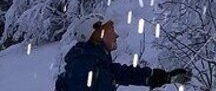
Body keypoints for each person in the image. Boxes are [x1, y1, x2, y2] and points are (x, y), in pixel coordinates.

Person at [56, 13, 191, 91]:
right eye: (111, 31)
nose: (116, 35)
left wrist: (160, 77)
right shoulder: (83, 65)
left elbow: (126, 74)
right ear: (97, 35)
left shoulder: (99, 63)